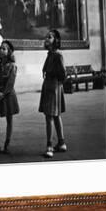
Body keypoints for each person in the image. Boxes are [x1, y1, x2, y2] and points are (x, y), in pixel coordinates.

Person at [38, 29, 67, 158]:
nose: (46, 39)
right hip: (49, 85)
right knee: (55, 116)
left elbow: (63, 74)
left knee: (49, 117)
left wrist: (56, 85)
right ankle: (61, 143)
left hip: (53, 86)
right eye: (46, 37)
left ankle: (49, 146)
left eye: (49, 37)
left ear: (56, 40)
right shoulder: (50, 54)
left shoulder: (57, 55)